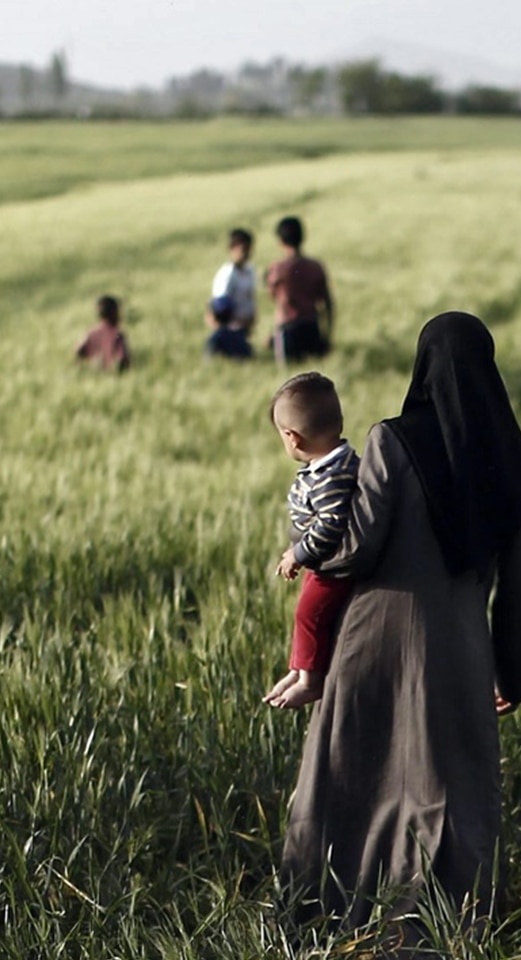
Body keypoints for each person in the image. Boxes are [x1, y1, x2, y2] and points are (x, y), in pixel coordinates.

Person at [280, 311, 521, 941]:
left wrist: (305, 546)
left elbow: (361, 545)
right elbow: (520, 588)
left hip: (374, 633)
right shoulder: (515, 465)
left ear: (423, 367)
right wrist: (513, 671)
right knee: (447, 781)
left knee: (351, 770)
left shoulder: (393, 440)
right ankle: (439, 924)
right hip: (459, 644)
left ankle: (325, 912)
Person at [262, 373, 361, 710]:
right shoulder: (332, 464)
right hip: (322, 563)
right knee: (306, 612)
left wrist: (299, 554)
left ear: (293, 438)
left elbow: (330, 525)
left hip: (332, 566)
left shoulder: (332, 477)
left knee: (309, 613)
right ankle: (300, 668)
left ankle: (310, 680)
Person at [264, 216, 334, 364]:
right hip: (312, 326)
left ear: (280, 241)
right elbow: (327, 303)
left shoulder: (277, 269)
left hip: (288, 328)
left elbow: (272, 296)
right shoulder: (316, 266)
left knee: (288, 382)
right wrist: (327, 335)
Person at [206, 229, 257, 359]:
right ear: (232, 249)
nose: (247, 253)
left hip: (243, 328)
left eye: (248, 248)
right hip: (229, 330)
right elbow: (220, 306)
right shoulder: (227, 275)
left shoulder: (250, 271)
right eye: (243, 249)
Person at [75, 294, 130, 372]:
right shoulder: (117, 334)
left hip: (93, 377)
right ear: (114, 314)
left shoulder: (91, 333)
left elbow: (78, 351)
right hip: (112, 376)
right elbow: (123, 358)